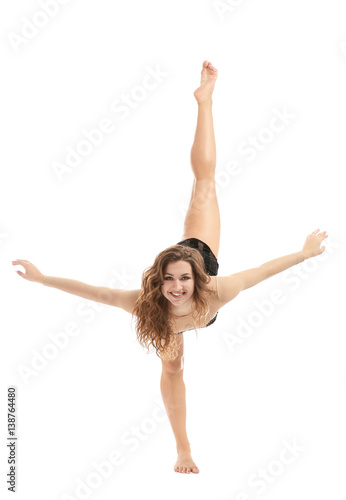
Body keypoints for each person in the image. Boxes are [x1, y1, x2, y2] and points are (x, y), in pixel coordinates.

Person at [12, 60, 328, 475]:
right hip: (169, 326)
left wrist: (303, 254)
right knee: (173, 368)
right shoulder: (147, 307)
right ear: (158, 282)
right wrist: (41, 278)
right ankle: (183, 449)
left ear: (196, 277)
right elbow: (94, 291)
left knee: (206, 182)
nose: (177, 286)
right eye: (169, 280)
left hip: (197, 248)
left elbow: (263, 271)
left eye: (183, 279)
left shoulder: (218, 287)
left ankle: (205, 102)